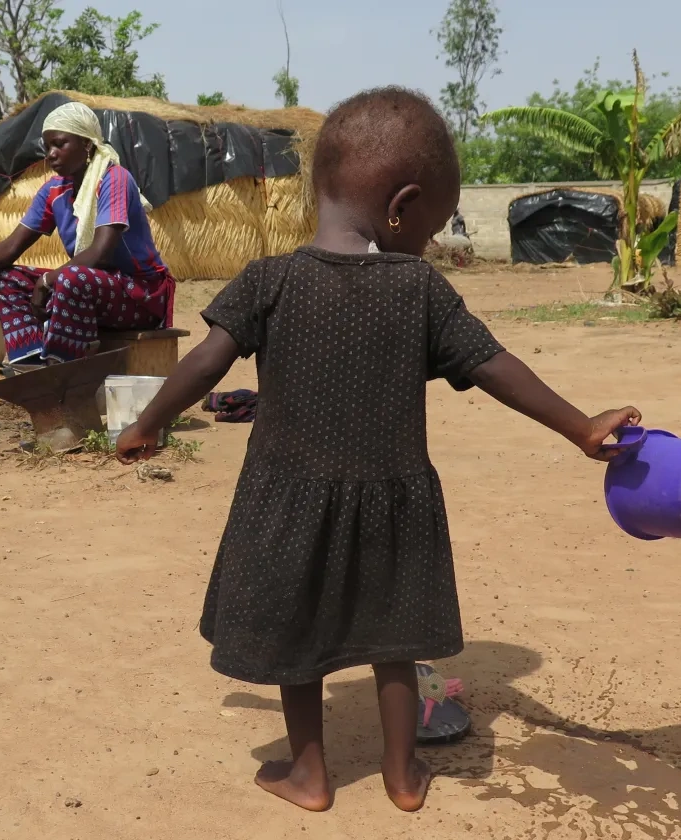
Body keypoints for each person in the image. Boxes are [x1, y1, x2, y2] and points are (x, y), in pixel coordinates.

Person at [114, 87, 641, 814]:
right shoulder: (420, 288)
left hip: (288, 495)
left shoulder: (270, 281)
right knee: (396, 643)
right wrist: (581, 425)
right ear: (402, 206)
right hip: (395, 501)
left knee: (297, 640)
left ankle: (309, 775)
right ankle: (401, 777)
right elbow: (494, 366)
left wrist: (147, 423)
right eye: (429, 224)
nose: (424, 241)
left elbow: (207, 363)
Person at [0, 102, 176, 364]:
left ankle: (62, 367)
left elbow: (99, 253)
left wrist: (46, 281)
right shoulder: (54, 190)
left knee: (70, 278)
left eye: (59, 144)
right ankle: (29, 363)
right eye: (47, 147)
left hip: (140, 296)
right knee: (4, 279)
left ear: (87, 144)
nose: (51, 154)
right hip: (91, 289)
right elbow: (9, 249)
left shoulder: (114, 179)